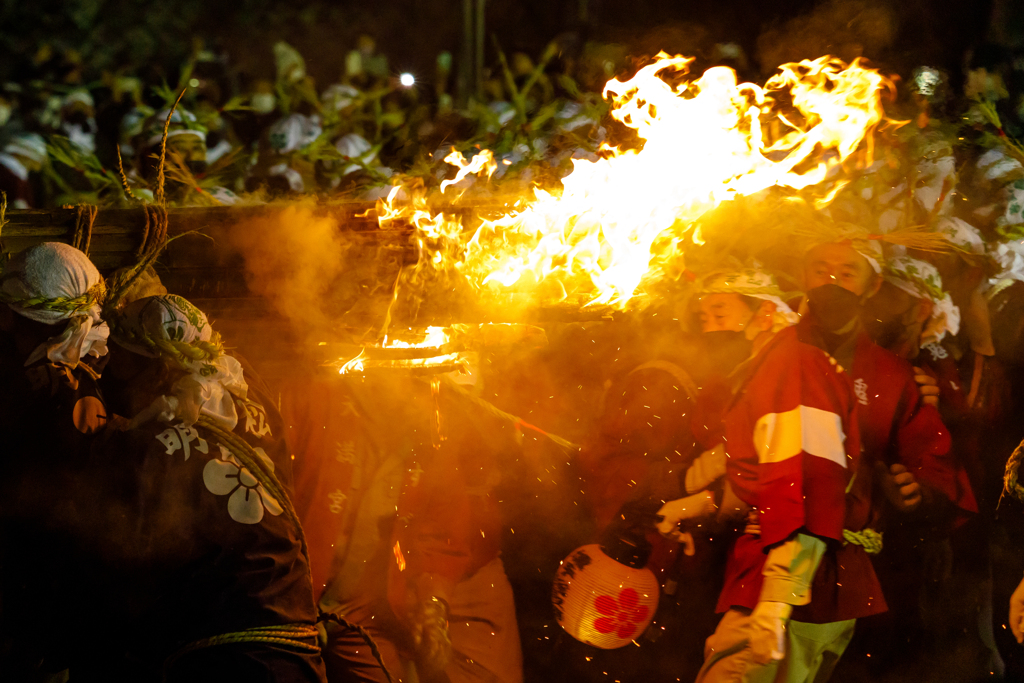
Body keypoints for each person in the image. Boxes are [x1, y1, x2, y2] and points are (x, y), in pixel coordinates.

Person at [63, 294, 328, 682]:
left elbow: (116, 578)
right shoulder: (256, 405)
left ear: (155, 370)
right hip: (298, 655)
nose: (107, 371)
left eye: (118, 359)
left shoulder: (145, 452)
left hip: (225, 666)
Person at [658, 266, 878, 683]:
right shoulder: (770, 369)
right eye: (704, 319)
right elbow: (766, 477)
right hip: (790, 580)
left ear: (765, 313)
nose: (711, 329)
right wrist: (694, 505)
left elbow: (809, 485)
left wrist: (775, 602)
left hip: (790, 583)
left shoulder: (792, 366)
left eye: (721, 314)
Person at [0, 242, 110, 680]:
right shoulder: (90, 379)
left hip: (29, 585)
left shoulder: (39, 389)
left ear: (10, 316)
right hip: (64, 587)